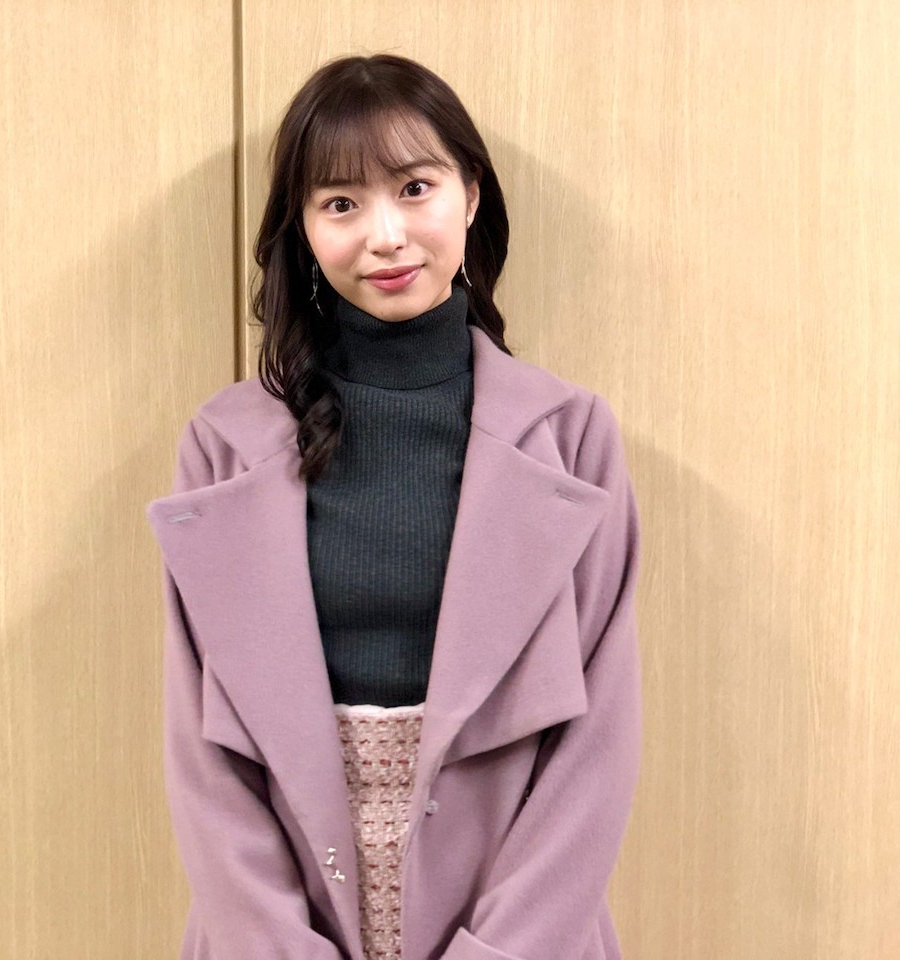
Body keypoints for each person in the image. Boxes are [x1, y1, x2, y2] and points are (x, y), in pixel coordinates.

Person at [146, 53, 643, 960]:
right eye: (341, 203)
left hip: (524, 932)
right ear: (302, 229)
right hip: (271, 932)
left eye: (416, 188)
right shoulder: (222, 446)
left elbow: (598, 745)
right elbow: (201, 753)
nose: (386, 236)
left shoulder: (572, 436)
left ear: (471, 195)